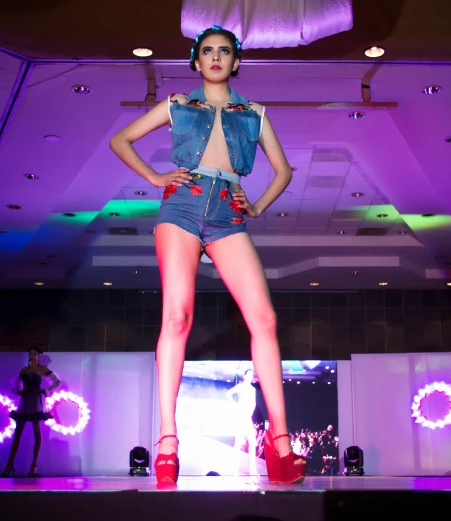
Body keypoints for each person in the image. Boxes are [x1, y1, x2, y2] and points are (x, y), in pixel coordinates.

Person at [110, 25, 306, 484]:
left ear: (236, 62)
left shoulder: (253, 113)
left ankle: (279, 444)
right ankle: (168, 442)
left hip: (227, 213)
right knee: (176, 317)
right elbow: (122, 140)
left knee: (265, 319)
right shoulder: (176, 105)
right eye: (207, 51)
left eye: (224, 51)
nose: (215, 57)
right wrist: (157, 178)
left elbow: (284, 171)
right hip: (180, 207)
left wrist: (255, 205)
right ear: (196, 61)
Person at [0, 347, 60, 477]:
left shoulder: (42, 369)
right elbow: (16, 383)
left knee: (37, 433)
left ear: (38, 356)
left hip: (36, 402)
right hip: (25, 402)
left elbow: (57, 382)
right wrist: (18, 390)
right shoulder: (24, 370)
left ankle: (33, 467)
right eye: (30, 353)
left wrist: (44, 391)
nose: (31, 355)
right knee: (17, 434)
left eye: (34, 353)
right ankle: (9, 465)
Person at [226, 368, 258, 475]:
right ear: (244, 376)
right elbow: (228, 393)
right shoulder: (241, 386)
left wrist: (250, 413)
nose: (250, 377)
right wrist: (235, 405)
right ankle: (234, 468)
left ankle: (252, 469)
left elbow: (253, 404)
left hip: (248, 418)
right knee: (238, 442)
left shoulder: (253, 389)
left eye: (251, 375)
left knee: (252, 442)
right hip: (241, 417)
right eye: (248, 375)